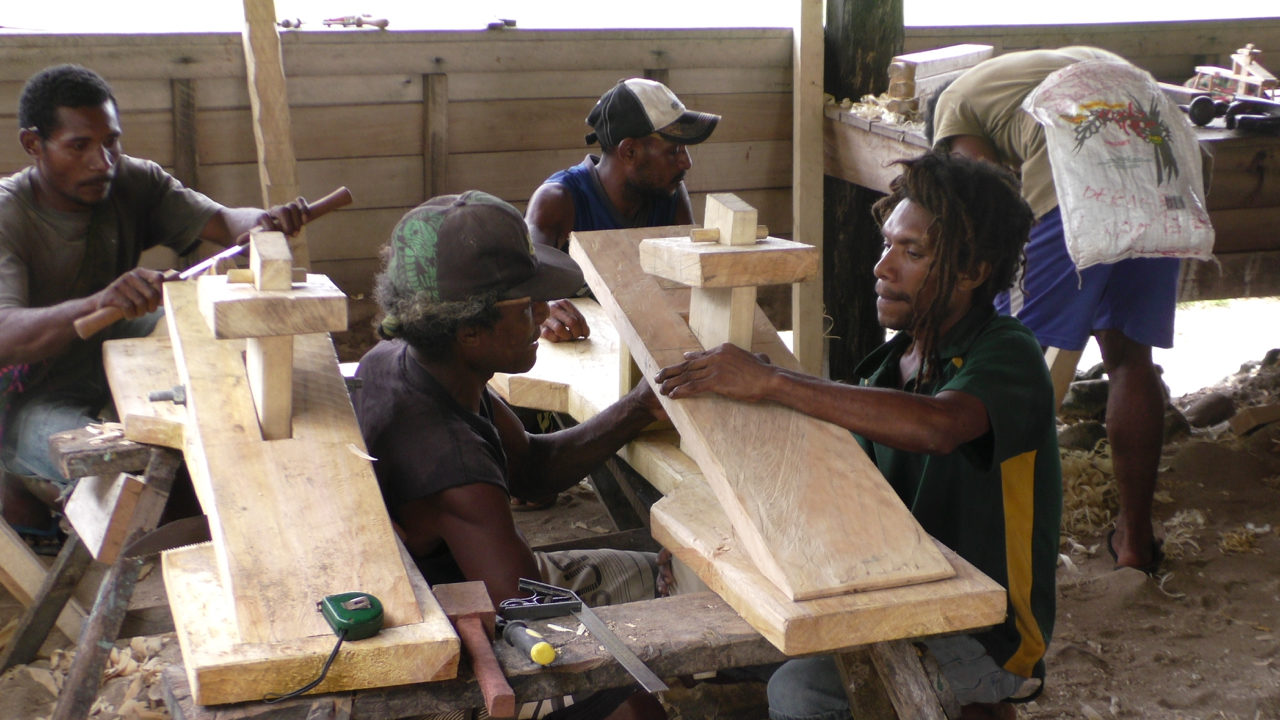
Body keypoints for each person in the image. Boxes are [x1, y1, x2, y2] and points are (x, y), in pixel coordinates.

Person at [655, 153, 1061, 720]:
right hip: (897, 598)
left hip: (986, 631)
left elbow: (938, 427)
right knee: (729, 634)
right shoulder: (889, 364)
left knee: (801, 691)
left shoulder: (1007, 352)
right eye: (886, 244)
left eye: (911, 252)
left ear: (972, 272)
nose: (882, 267)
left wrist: (773, 381)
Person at [351, 190, 667, 720]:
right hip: (469, 632)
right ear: (469, 331)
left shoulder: (409, 360)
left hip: (486, 576)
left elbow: (532, 472)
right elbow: (528, 610)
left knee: (668, 576)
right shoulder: (452, 467)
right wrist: (644, 661)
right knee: (638, 699)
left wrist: (638, 408)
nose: (545, 314)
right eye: (527, 306)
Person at [0, 64, 307, 546]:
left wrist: (260, 224)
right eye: (79, 146)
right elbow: (5, 334)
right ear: (33, 145)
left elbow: (226, 221)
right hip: (23, 393)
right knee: (125, 471)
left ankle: (221, 515)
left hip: (111, 347)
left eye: (111, 143)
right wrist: (101, 300)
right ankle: (23, 495)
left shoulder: (131, 180)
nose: (102, 162)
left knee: (200, 334)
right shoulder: (7, 215)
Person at [931, 46, 1177, 574]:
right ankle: (1135, 543)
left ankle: (983, 546)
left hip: (1083, 183)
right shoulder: (1041, 68)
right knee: (1131, 356)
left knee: (1008, 359)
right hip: (1165, 177)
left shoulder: (955, 102)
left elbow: (980, 188)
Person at [525, 77, 719, 343]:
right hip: (581, 353)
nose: (686, 162)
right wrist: (542, 307)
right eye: (674, 150)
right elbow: (523, 284)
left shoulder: (669, 195)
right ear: (629, 152)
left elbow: (689, 287)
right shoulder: (558, 200)